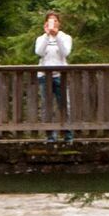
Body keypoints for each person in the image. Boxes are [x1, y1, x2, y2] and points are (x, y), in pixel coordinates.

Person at [34, 11, 73, 142]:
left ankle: (68, 135)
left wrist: (57, 36)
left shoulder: (65, 37)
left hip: (60, 75)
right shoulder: (41, 38)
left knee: (64, 105)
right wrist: (47, 35)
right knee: (47, 106)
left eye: (55, 21)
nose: (53, 23)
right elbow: (39, 52)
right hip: (44, 76)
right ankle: (50, 135)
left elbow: (65, 52)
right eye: (50, 21)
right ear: (45, 23)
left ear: (59, 23)